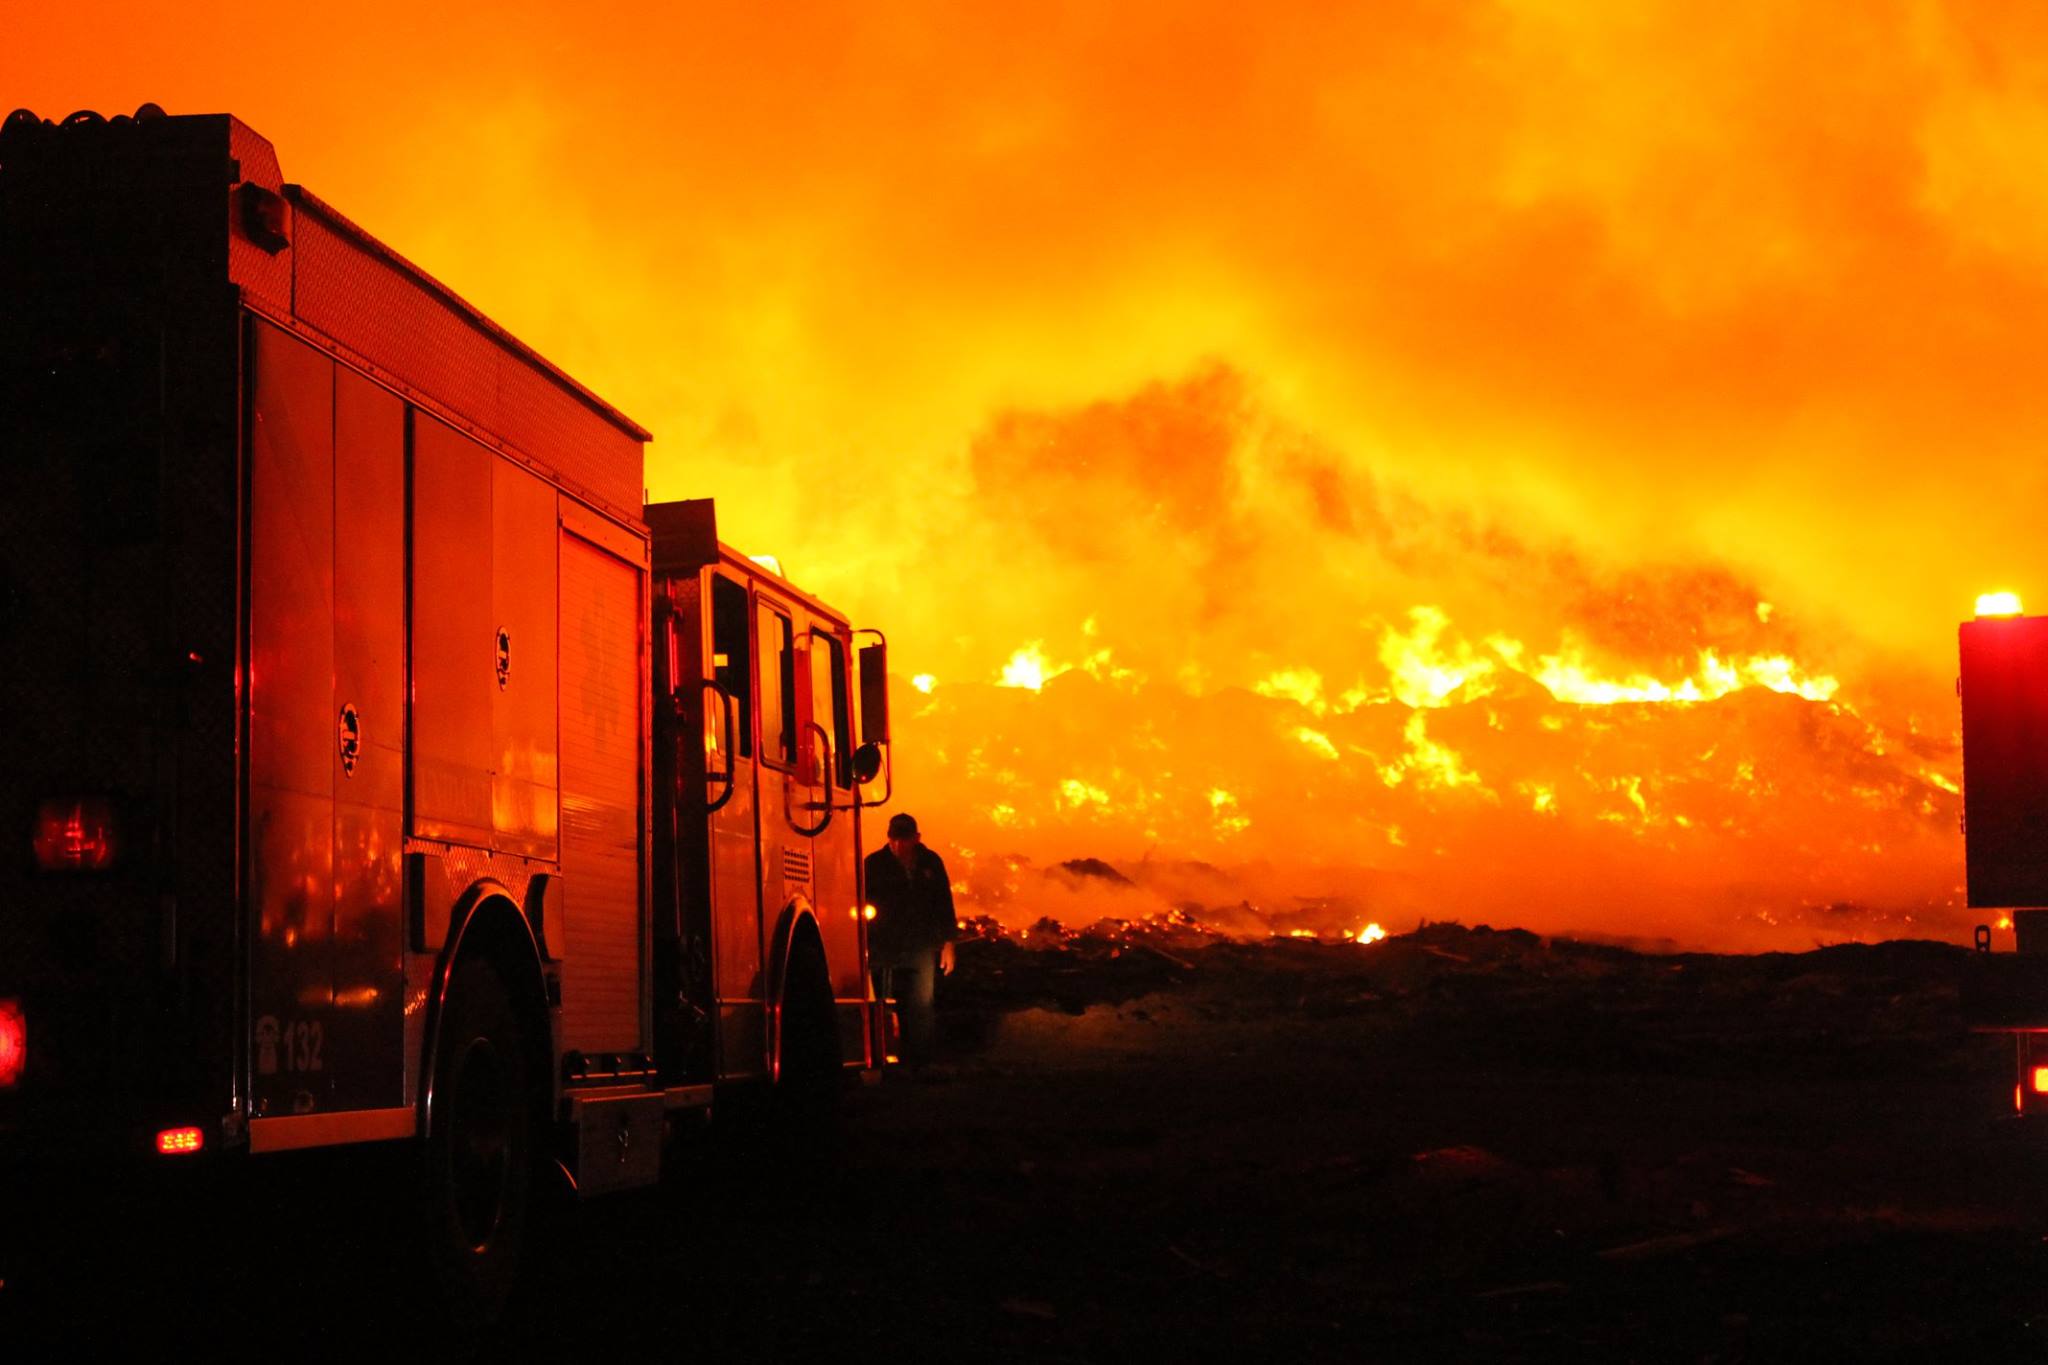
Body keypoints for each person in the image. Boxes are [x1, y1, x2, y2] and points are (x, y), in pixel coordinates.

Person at [864, 812, 958, 1066]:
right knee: (880, 1004)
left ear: (916, 838)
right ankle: (881, 1059)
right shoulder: (873, 865)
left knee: (921, 1006)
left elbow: (943, 902)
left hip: (920, 945)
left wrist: (948, 943)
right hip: (883, 947)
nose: (898, 845)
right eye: (894, 839)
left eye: (904, 839)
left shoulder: (931, 863)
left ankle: (920, 1062)